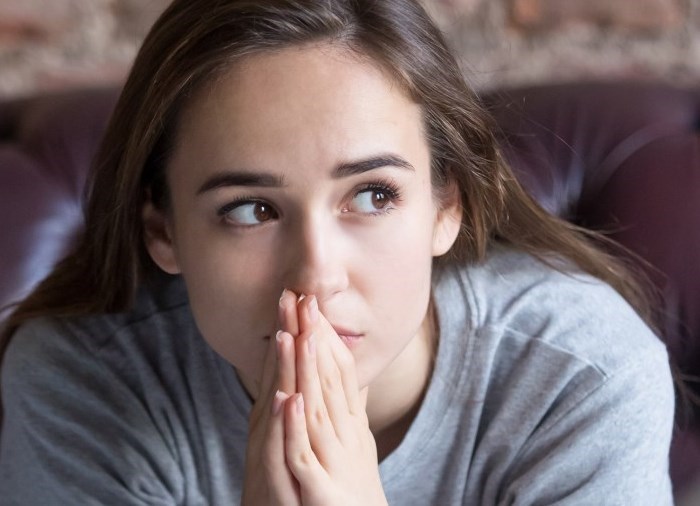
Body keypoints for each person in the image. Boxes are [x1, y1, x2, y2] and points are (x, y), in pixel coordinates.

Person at [0, 0, 675, 504]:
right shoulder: (81, 382)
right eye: (250, 210)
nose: (316, 275)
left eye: (373, 196)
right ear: (164, 232)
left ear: (448, 206)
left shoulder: (583, 375)